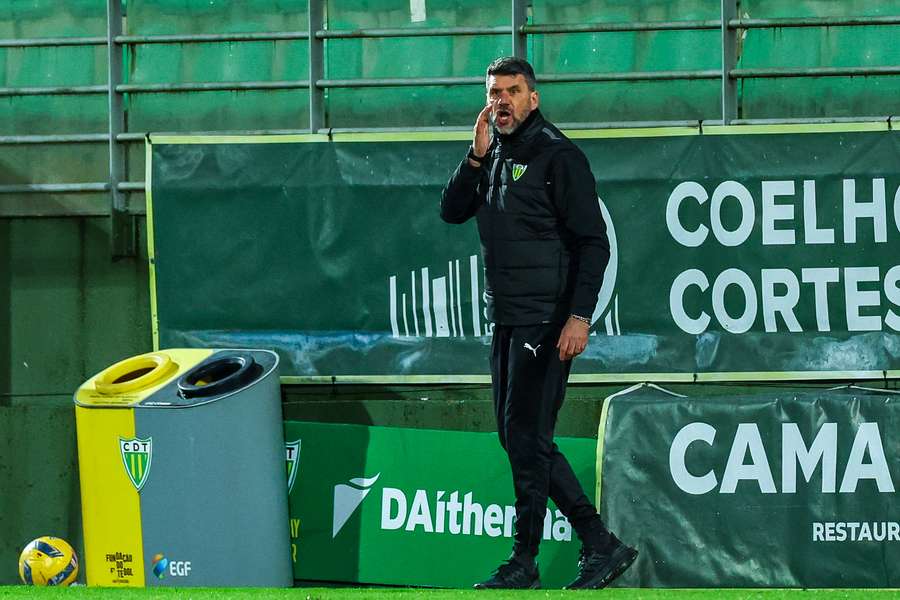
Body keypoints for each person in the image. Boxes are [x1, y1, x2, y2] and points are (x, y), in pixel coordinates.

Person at [440, 56, 637, 590]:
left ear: (534, 98)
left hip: (546, 321)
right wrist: (475, 158)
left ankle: (528, 561)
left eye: (512, 91)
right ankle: (598, 544)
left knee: (527, 436)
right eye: (493, 92)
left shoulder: (559, 156)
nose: (500, 101)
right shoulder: (494, 155)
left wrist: (579, 316)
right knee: (518, 438)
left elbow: (593, 243)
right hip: (506, 318)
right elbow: (451, 211)